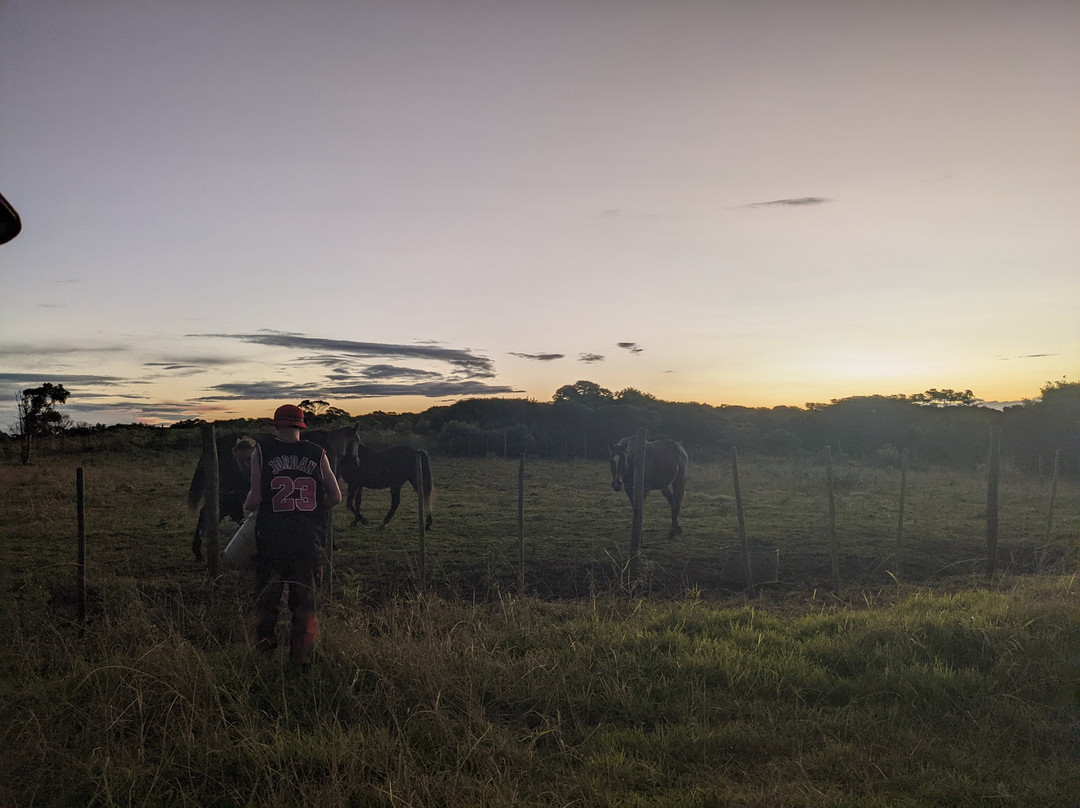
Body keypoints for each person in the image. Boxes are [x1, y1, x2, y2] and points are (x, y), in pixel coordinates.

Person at [244, 404, 342, 664]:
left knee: (267, 603)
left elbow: (255, 498)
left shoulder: (262, 451)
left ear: (276, 425)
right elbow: (336, 496)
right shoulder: (317, 453)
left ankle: (264, 656)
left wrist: (247, 506)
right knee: (304, 604)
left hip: (272, 540)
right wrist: (314, 510)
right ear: (301, 426)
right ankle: (300, 659)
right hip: (308, 541)